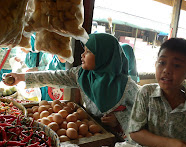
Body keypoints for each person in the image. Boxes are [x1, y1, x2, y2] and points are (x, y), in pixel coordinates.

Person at [4, 33, 139, 140]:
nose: (82, 55)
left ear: (104, 56)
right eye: (84, 50)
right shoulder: (82, 75)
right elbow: (54, 76)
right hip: (95, 135)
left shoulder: (128, 87)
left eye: (88, 52)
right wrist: (21, 77)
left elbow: (141, 116)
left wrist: (119, 120)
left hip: (120, 140)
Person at [127, 38, 186, 147]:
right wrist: (167, 144)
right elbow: (135, 132)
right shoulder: (146, 93)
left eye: (176, 65)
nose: (167, 70)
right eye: (162, 63)